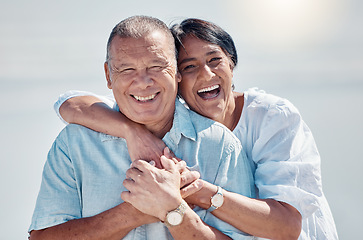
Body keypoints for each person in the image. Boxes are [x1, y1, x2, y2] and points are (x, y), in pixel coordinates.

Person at [57, 18, 339, 239]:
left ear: (232, 63)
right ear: (175, 77)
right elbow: (69, 103)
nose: (206, 74)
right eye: (189, 66)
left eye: (215, 60)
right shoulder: (160, 116)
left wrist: (188, 191)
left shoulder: (271, 117)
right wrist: (133, 132)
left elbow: (287, 227)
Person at [28, 16, 256, 240]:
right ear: (108, 75)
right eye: (127, 70)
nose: (143, 81)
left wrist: (175, 211)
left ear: (177, 71)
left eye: (156, 66)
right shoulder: (74, 144)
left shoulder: (221, 145)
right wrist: (134, 212)